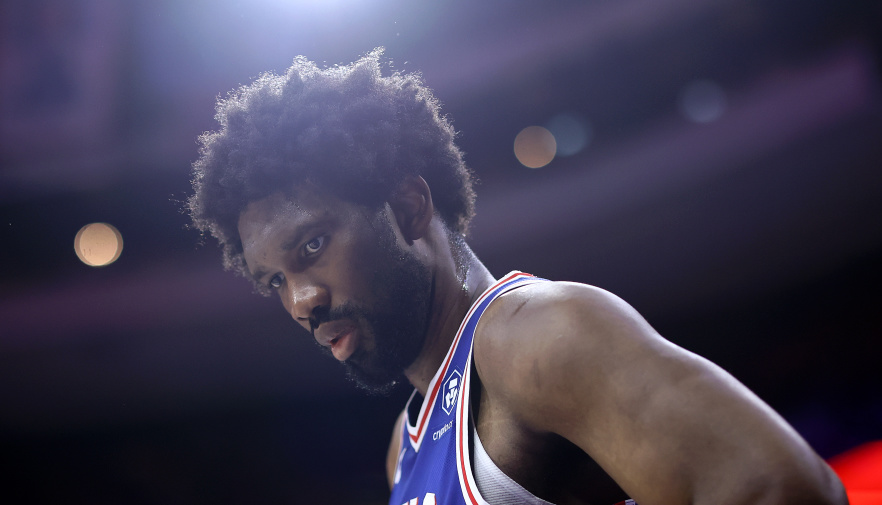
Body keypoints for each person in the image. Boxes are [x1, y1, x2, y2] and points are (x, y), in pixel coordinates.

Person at [188, 50, 847, 505]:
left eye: (312, 245)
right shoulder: (406, 442)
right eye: (274, 280)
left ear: (410, 206)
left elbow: (779, 487)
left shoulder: (538, 335)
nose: (302, 299)